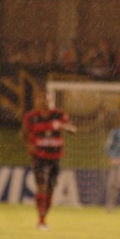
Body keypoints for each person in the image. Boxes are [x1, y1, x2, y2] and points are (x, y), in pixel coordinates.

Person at [20, 89, 77, 230]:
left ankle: (44, 217)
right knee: (42, 187)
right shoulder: (31, 117)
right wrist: (29, 145)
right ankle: (41, 219)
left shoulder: (59, 115)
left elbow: (73, 130)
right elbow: (23, 134)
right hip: (39, 157)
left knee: (50, 189)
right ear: (37, 101)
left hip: (55, 158)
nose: (45, 102)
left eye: (48, 99)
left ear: (51, 101)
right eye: (42, 99)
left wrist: (61, 125)